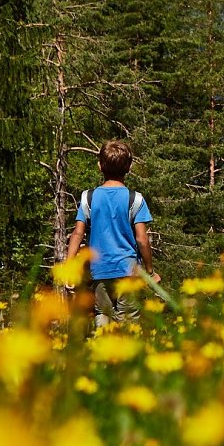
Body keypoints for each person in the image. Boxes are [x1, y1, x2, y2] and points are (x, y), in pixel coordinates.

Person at [65, 140, 154, 327]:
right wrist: (150, 271)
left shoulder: (88, 198)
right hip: (128, 271)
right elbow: (142, 238)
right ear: (129, 167)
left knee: (103, 317)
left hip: (99, 271)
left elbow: (77, 234)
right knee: (129, 322)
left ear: (99, 166)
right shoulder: (135, 199)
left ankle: (102, 352)